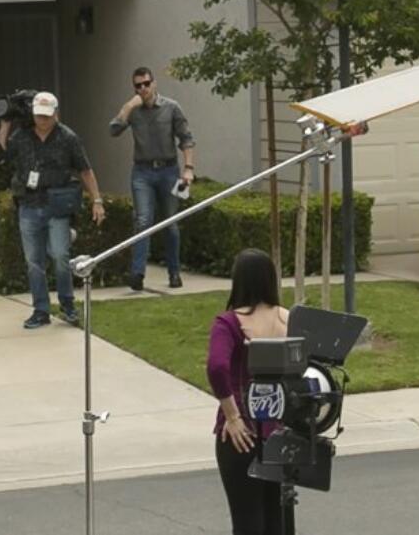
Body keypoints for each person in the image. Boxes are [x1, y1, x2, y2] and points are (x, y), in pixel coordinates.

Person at [0, 91, 106, 329]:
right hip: (28, 204)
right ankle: (41, 310)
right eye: (38, 116)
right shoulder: (22, 136)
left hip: (57, 205)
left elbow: (85, 170)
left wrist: (97, 200)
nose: (42, 120)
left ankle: (67, 305)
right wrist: (5, 123)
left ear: (56, 114)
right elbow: (1, 154)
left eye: (47, 116)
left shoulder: (68, 137)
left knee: (59, 255)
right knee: (34, 261)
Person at [206, 249, 288, 535]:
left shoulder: (228, 323)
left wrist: (232, 416)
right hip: (280, 431)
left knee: (247, 521)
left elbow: (217, 367)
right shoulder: (288, 319)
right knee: (277, 520)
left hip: (241, 434)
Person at [109, 66, 196, 291]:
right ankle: (137, 274)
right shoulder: (134, 110)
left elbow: (186, 139)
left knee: (170, 224)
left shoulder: (171, 107)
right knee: (143, 220)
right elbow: (114, 130)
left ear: (154, 83)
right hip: (142, 172)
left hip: (168, 170)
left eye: (147, 84)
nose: (143, 89)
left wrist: (188, 168)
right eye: (138, 86)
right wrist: (128, 106)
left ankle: (174, 272)